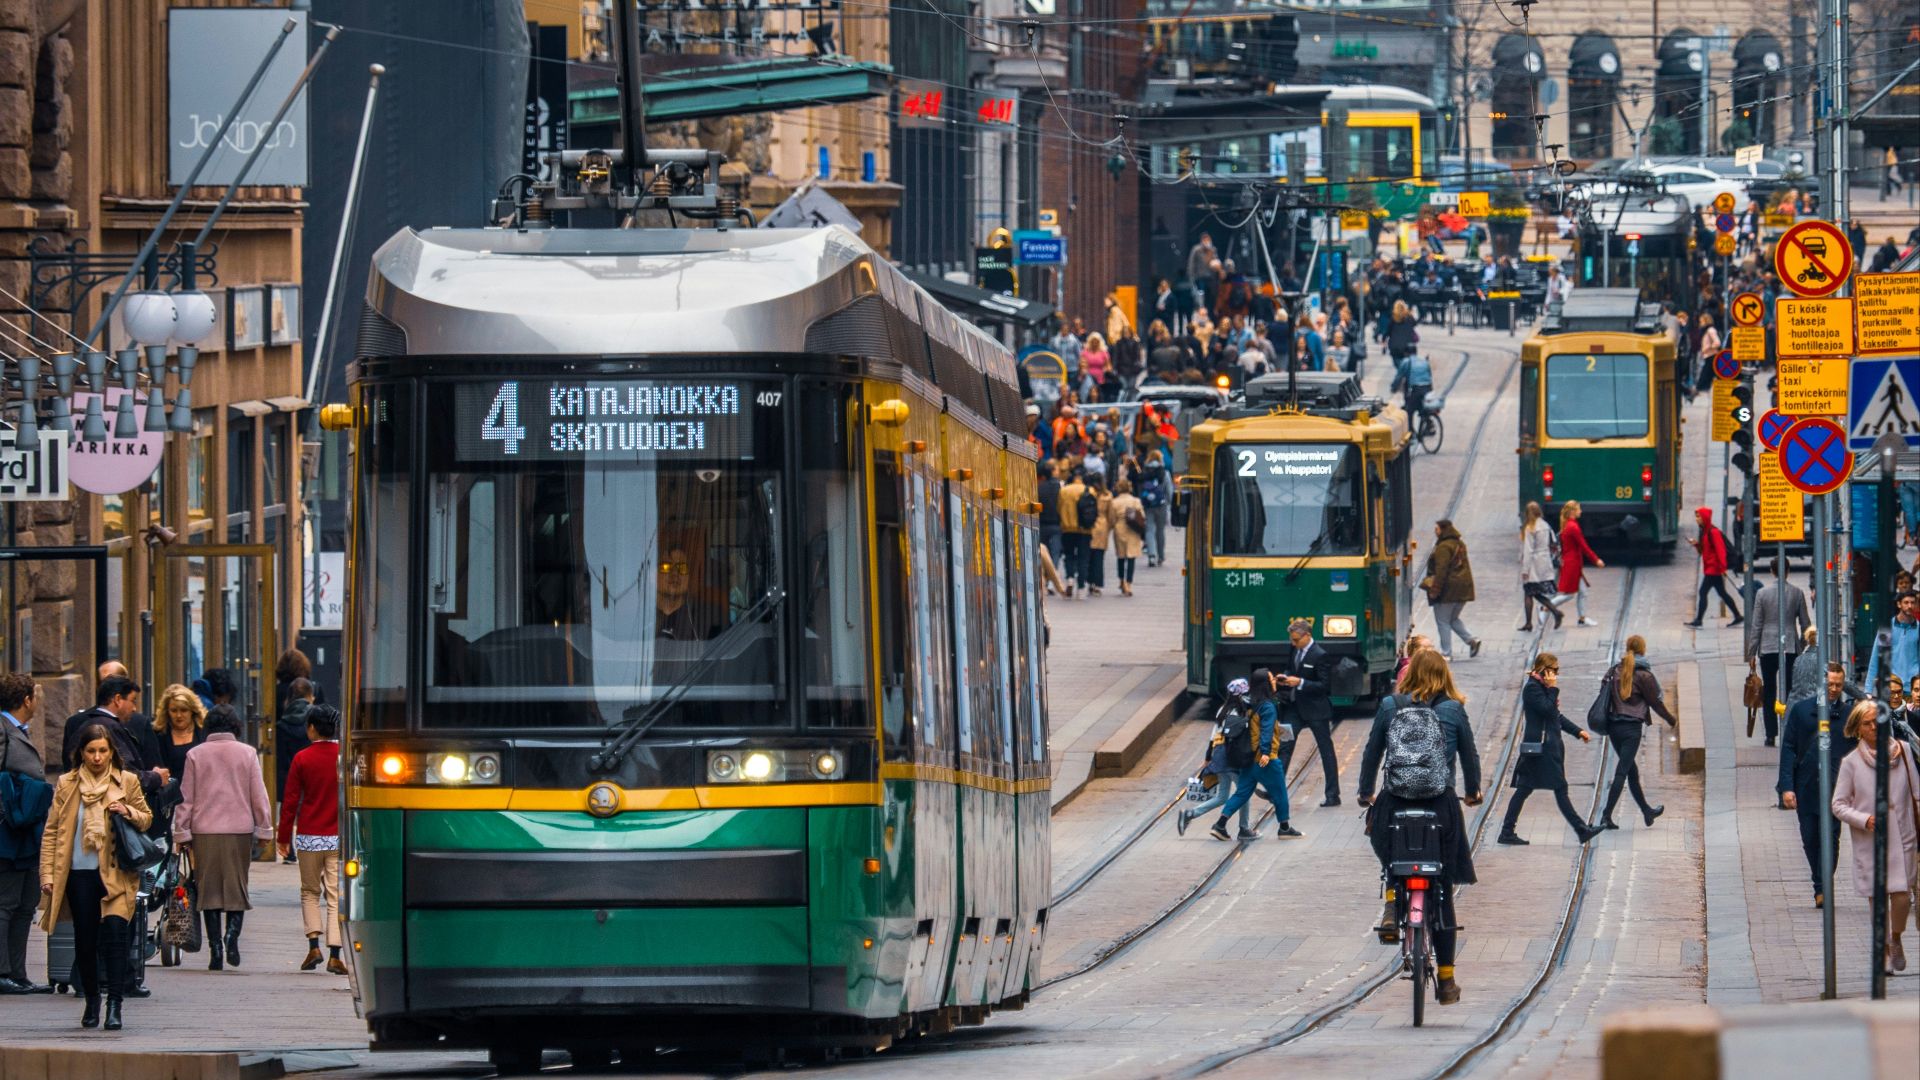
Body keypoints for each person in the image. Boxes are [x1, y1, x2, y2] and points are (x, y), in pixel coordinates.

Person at [1356, 650, 1482, 1005]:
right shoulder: (1453, 710)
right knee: (1441, 885)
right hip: (1440, 806)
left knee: (1387, 849)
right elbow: (1470, 757)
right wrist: (1473, 791)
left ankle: (1394, 901)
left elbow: (1371, 753)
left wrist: (1366, 792)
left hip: (1395, 802)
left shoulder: (1389, 706)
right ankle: (1446, 979)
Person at [38, 723, 151, 1030]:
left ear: (111, 751)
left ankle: (115, 1005)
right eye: (91, 751)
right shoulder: (67, 783)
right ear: (81, 753)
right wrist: (47, 874)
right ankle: (91, 1001)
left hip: (116, 875)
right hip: (78, 875)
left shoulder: (126, 781)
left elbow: (146, 819)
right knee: (85, 944)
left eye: (103, 750)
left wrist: (127, 810)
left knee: (116, 939)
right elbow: (52, 832)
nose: (98, 757)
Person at [173, 704, 272, 971]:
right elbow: (258, 795)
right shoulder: (248, 754)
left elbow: (186, 798)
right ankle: (232, 937)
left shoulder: (195, 755)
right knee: (237, 887)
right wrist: (264, 829)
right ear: (236, 727)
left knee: (209, 891)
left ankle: (215, 948)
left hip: (204, 831)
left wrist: (181, 832)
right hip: (239, 830)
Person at [1831, 699, 1919, 972]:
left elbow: (1917, 793)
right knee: (1878, 899)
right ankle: (1882, 953)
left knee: (1903, 896)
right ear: (1857, 728)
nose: (1874, 728)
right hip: (1872, 841)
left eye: (1878, 723)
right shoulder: (1851, 763)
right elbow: (1838, 804)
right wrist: (1864, 819)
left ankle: (1895, 938)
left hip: (1903, 835)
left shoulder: (1902, 752)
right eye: (1867, 724)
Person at [1781, 665, 1862, 907]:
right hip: (1806, 787)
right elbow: (1788, 748)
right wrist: (1786, 786)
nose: (1835, 689)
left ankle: (1822, 886)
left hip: (1837, 790)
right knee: (1810, 837)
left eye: (1839, 685)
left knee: (1831, 837)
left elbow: (1857, 753)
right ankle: (1819, 881)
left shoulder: (1848, 715)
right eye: (1830, 685)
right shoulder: (1801, 711)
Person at [1499, 654, 1600, 845]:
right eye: (1555, 670)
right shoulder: (1532, 689)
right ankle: (1581, 829)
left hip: (1546, 748)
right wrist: (1553, 689)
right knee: (1558, 788)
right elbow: (1547, 709)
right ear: (1545, 670)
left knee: (1524, 789)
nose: (1556, 674)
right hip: (1541, 749)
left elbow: (1555, 716)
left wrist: (1578, 731)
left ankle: (1506, 831)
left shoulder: (1541, 688)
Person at [277, 704, 347, 975]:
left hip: (308, 836)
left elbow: (291, 802)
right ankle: (335, 953)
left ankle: (313, 946)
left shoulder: (302, 758)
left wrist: (284, 838)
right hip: (338, 837)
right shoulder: (345, 756)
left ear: (312, 728)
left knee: (309, 892)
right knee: (335, 894)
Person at [0, 673, 50, 995]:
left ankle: (19, 973)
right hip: (8, 833)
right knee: (6, 903)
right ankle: (3, 972)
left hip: (28, 832)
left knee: (26, 903)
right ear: (26, 700)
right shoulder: (2, 730)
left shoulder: (20, 730)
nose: (38, 701)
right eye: (36, 695)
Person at [1207, 668, 1301, 840]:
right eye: (1272, 680)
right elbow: (1265, 731)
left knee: (1242, 792)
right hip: (1265, 759)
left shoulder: (1249, 704)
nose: (1274, 682)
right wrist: (1266, 752)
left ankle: (1220, 824)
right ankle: (1285, 828)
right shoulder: (1267, 706)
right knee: (1279, 792)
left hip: (1248, 757)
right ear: (1266, 684)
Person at [1596, 636, 1677, 830]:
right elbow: (1655, 702)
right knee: (1622, 771)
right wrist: (1670, 718)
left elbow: (1603, 694)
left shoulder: (1614, 670)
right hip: (1631, 729)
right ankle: (1606, 815)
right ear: (1643, 649)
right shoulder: (1644, 676)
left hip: (1614, 727)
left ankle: (1647, 811)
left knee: (1631, 771)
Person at [1177, 680, 1257, 838]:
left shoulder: (1222, 709)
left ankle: (1190, 814)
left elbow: (1213, 737)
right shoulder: (1239, 712)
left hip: (1218, 755)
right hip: (1230, 756)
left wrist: (1208, 758)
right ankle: (1244, 828)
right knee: (1244, 792)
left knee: (1222, 796)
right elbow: (1235, 738)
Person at [1746, 573, 1812, 746]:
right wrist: (1801, 644)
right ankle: (1791, 729)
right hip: (1790, 646)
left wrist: (1751, 652)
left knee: (1769, 690)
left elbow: (1757, 625)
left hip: (1767, 648)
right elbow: (1805, 623)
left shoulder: (1762, 593)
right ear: (1788, 571)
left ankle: (1770, 734)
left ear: (1772, 571)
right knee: (1791, 690)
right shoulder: (1797, 592)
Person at [1423, 520, 1482, 660]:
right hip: (1462, 589)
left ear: (1443, 530)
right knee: (1452, 619)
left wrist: (1435, 589)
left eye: (1436, 529)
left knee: (1442, 621)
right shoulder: (1459, 544)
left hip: (1448, 590)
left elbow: (1441, 570)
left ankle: (1446, 653)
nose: (1435, 531)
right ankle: (1472, 640)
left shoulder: (1443, 547)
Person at [1683, 507, 1742, 627]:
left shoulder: (1713, 532)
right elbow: (1704, 551)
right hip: (1712, 568)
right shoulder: (1705, 532)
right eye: (1696, 516)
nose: (1697, 519)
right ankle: (1738, 615)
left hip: (1714, 569)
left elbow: (1721, 551)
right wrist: (1696, 545)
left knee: (1703, 592)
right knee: (1722, 593)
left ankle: (1699, 620)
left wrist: (1722, 567)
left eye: (1699, 517)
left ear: (1704, 518)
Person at [1552, 501, 1604, 627]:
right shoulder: (1573, 527)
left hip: (1573, 563)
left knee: (1583, 591)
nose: (1581, 511)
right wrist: (1596, 559)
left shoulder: (1569, 525)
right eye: (1578, 509)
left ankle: (1582, 618)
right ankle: (1546, 606)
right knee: (1569, 594)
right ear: (1572, 512)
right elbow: (1584, 546)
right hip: (1572, 564)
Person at [1518, 502, 1565, 631]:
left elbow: (1528, 550)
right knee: (1534, 593)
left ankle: (1532, 621)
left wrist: (1525, 569)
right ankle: (1553, 613)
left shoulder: (1530, 528)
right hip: (1544, 562)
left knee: (1529, 592)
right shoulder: (1545, 525)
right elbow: (1553, 543)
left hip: (1533, 564)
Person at [1864, 590, 1920, 696]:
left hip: (1912, 689)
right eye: (1906, 602)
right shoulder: (1887, 627)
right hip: (1891, 688)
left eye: (1913, 602)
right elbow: (1876, 657)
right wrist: (1868, 690)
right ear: (1899, 604)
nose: (1910, 606)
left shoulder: (1918, 628)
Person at [152, 683, 206, 788]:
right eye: (174, 710)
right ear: (167, 712)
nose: (179, 715)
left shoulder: (204, 733)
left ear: (192, 711)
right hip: (171, 796)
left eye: (184, 710)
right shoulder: (159, 735)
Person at [274, 677, 315, 813]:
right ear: (310, 695)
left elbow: (280, 761)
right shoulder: (316, 720)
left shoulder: (280, 726)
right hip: (313, 780)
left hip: (288, 781)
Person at [1106, 480, 1146, 597]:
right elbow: (1141, 516)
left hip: (1120, 530)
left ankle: (1121, 581)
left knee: (1121, 557)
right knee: (1131, 558)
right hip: (1133, 531)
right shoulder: (1135, 501)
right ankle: (1129, 584)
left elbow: (1112, 519)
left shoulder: (1114, 502)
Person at [1059, 468, 1093, 598]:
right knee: (1083, 558)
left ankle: (1070, 578)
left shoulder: (1064, 491)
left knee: (1069, 555)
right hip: (1085, 529)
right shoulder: (1089, 490)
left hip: (1068, 528)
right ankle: (1081, 587)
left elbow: (1059, 507)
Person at [1137, 452, 1171, 568]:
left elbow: (1140, 488)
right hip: (1161, 505)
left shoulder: (1144, 472)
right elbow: (1169, 491)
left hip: (1147, 505)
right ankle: (1161, 556)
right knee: (1160, 531)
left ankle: (1151, 555)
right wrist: (1169, 503)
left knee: (1149, 529)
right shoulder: (1164, 473)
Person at [1084, 479, 1112, 597]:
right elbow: (1111, 515)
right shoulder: (1108, 496)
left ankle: (1089, 582)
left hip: (1090, 526)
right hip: (1102, 526)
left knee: (1089, 556)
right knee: (1099, 557)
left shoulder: (1088, 495)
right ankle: (1097, 583)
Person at [1037, 459, 1064, 574]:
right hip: (1056, 524)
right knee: (1055, 552)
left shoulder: (1039, 488)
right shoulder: (1060, 487)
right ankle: (1053, 577)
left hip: (1042, 524)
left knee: (1044, 552)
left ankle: (1045, 577)